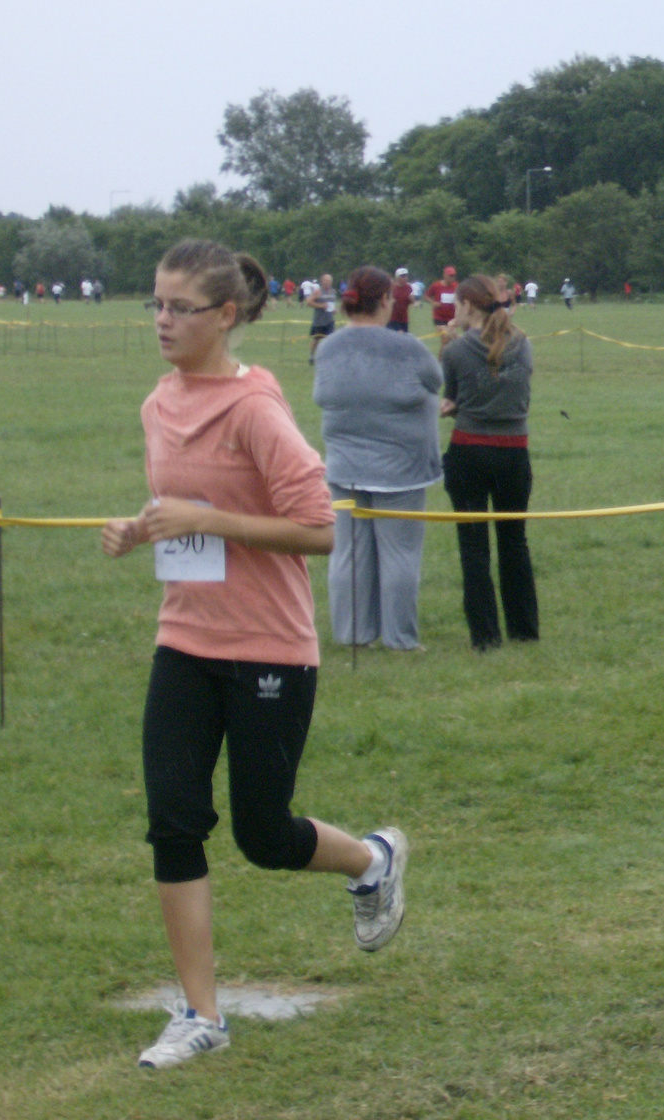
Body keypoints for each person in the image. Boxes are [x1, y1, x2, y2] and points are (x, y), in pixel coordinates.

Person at [100, 239, 408, 1070]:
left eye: (180, 308)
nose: (162, 321)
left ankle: (372, 858)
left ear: (226, 315)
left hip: (269, 646)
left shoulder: (256, 410)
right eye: (155, 305)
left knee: (264, 835)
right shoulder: (157, 405)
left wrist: (209, 523)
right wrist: (141, 527)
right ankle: (201, 1014)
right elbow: (184, 504)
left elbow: (319, 528)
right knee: (173, 820)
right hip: (185, 637)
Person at [313, 265, 443, 650]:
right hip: (401, 472)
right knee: (400, 555)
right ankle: (400, 639)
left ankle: (353, 634)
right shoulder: (407, 346)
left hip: (343, 468)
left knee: (348, 555)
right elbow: (436, 381)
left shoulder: (327, 347)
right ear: (386, 300)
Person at [440, 275, 539, 650]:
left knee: (474, 546)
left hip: (469, 452)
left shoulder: (455, 351)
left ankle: (486, 636)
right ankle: (524, 629)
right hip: (514, 451)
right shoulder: (524, 345)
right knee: (515, 542)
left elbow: (453, 400)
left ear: (467, 306)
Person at [426, 266, 459, 356]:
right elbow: (427, 296)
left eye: (453, 276)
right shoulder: (436, 285)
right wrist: (433, 303)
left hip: (451, 318)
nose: (452, 278)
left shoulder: (456, 286)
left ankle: (444, 361)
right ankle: (440, 362)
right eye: (450, 276)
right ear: (445, 275)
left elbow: (460, 299)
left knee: (452, 340)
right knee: (445, 338)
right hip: (439, 317)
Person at [307, 270, 337, 360]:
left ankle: (328, 357)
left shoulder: (333, 292)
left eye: (330, 281)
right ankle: (312, 356)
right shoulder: (318, 291)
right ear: (322, 281)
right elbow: (308, 302)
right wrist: (321, 306)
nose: (328, 282)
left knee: (331, 340)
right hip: (319, 321)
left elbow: (331, 305)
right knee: (316, 340)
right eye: (326, 281)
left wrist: (334, 310)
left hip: (329, 320)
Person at [388, 266, 413, 332]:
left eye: (406, 276)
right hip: (392, 318)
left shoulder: (409, 287)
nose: (405, 278)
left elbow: (411, 302)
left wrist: (411, 299)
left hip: (403, 318)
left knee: (403, 338)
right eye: (403, 276)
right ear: (397, 277)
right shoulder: (391, 286)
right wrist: (390, 301)